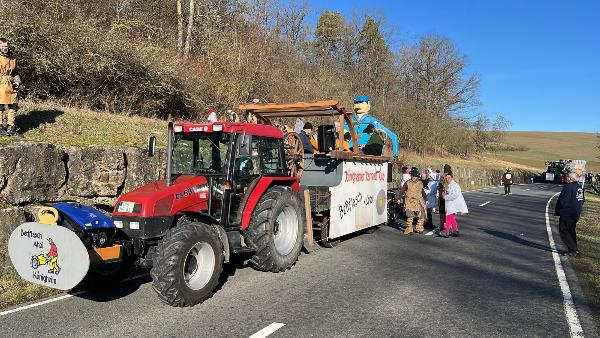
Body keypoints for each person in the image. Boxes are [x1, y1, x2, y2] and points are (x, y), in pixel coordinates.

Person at [554, 172, 585, 256]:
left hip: (567, 213)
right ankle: (572, 249)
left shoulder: (568, 187)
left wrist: (559, 210)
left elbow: (563, 201)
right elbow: (582, 200)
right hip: (576, 212)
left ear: (570, 179)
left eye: (566, 177)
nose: (565, 179)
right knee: (571, 231)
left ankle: (574, 249)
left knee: (563, 230)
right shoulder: (579, 187)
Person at [0, 38, 22, 137]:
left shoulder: (13, 58)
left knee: (14, 105)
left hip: (12, 84)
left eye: (6, 46)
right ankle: (0, 129)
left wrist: (17, 81)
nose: (5, 48)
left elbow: (16, 72)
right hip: (1, 83)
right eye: (3, 46)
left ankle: (10, 128)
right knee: (0, 106)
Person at [399, 168, 426, 235]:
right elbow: (402, 191)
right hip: (410, 201)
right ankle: (409, 229)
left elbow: (423, 192)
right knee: (410, 216)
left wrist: (426, 199)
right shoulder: (407, 183)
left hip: (419, 201)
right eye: (413, 176)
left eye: (415, 176)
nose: (414, 177)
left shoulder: (420, 183)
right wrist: (398, 198)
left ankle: (419, 228)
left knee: (422, 215)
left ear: (417, 177)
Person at [442, 172, 468, 237]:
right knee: (452, 218)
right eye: (446, 178)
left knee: (448, 216)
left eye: (449, 178)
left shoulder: (455, 185)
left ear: (452, 178)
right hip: (450, 204)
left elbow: (455, 195)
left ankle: (447, 231)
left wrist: (445, 197)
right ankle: (456, 230)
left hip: (453, 204)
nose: (447, 179)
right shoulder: (449, 185)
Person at [436, 164, 452, 235]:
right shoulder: (451, 177)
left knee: (443, 214)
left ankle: (443, 228)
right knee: (447, 213)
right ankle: (447, 228)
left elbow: (439, 186)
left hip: (443, 197)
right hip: (447, 197)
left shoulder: (443, 177)